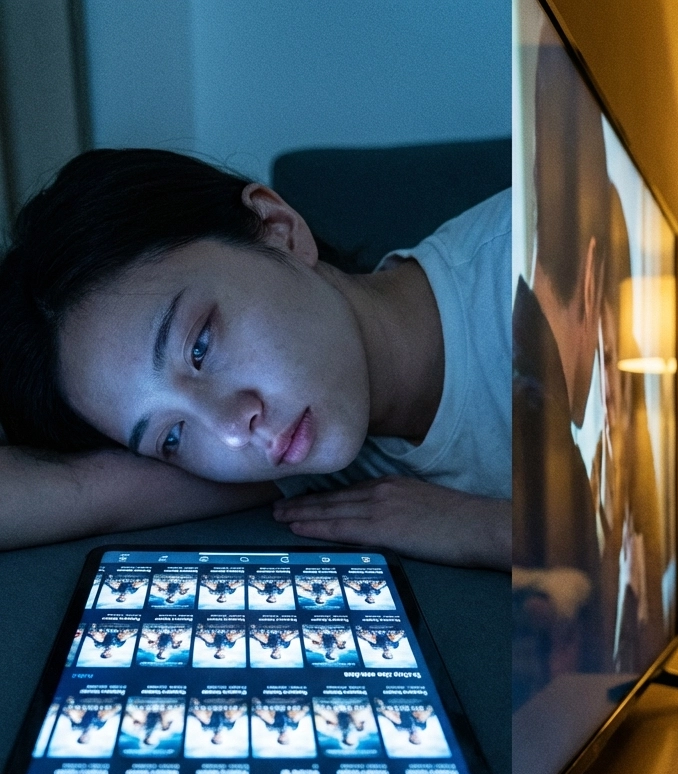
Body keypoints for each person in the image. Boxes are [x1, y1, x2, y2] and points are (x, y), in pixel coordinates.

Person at [0, 148, 510, 568]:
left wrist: (490, 530)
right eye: (171, 437)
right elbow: (77, 492)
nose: (230, 430)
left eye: (199, 347)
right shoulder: (299, 453)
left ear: (277, 228)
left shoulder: (534, 264)